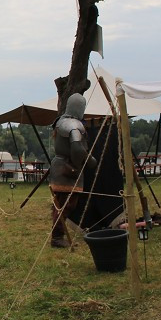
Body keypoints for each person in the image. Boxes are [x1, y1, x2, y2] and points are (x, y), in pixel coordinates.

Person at [49, 94, 89, 248]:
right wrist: (89, 161)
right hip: (67, 169)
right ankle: (57, 237)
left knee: (61, 204)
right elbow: (78, 150)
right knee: (66, 205)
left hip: (61, 166)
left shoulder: (61, 122)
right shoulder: (72, 124)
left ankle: (57, 235)